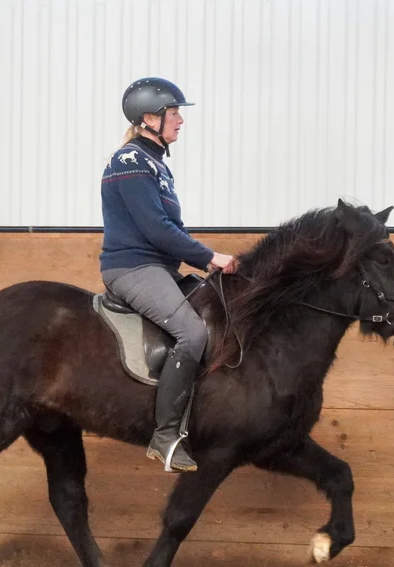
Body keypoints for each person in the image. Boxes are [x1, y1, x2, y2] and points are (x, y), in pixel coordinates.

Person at [99, 77, 238, 473]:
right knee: (191, 332)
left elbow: (167, 230)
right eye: (174, 113)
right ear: (149, 118)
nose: (180, 121)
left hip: (159, 268)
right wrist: (209, 256)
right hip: (133, 268)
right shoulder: (129, 162)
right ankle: (165, 436)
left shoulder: (155, 164)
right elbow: (157, 229)